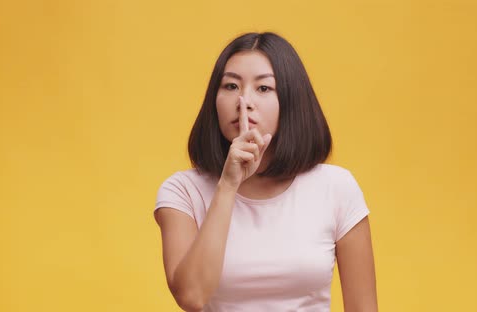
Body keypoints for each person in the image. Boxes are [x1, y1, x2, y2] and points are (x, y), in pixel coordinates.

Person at [154, 32, 378, 312]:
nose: (243, 101)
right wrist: (228, 184)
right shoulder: (182, 191)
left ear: (291, 100)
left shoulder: (336, 188)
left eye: (263, 88)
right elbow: (191, 296)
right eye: (231, 86)